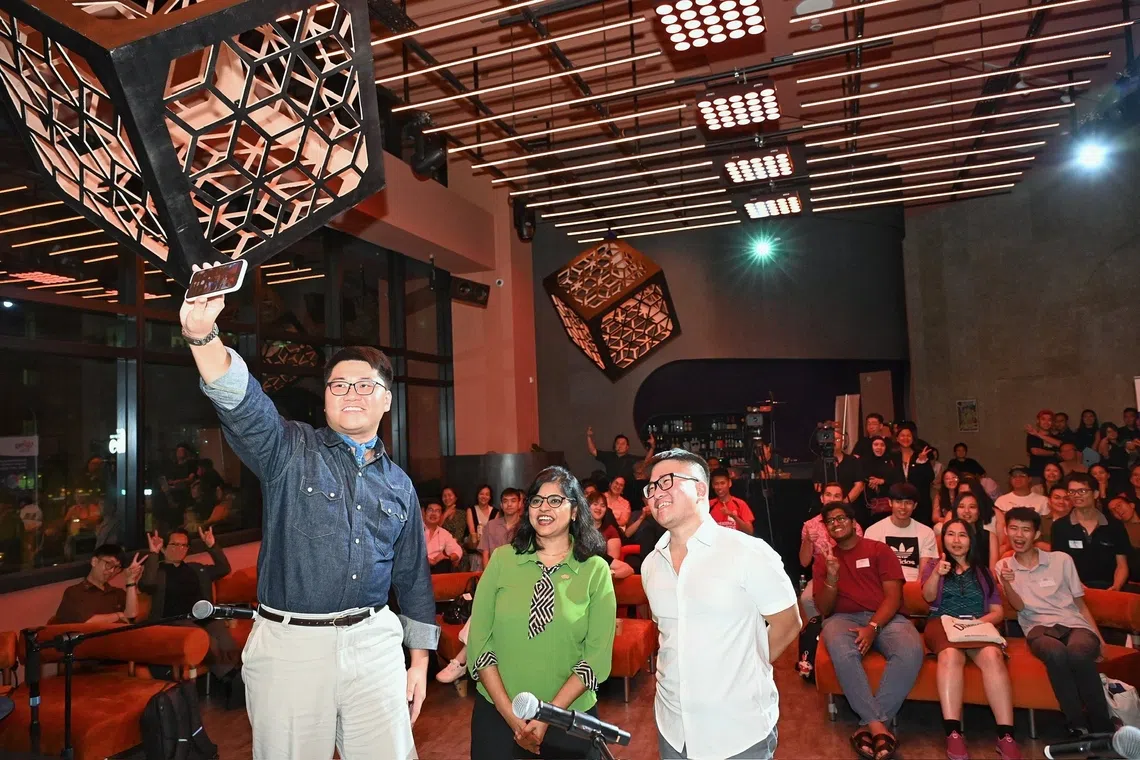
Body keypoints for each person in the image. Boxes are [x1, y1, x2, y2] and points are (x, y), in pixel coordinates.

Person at [181, 273, 436, 760]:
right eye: (339, 385)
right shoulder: (290, 450)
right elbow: (245, 406)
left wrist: (419, 661)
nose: (351, 392)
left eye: (365, 384)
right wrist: (202, 336)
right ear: (325, 398)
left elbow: (413, 578)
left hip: (375, 644)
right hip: (291, 647)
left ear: (386, 399)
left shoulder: (400, 485)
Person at [643, 449, 800, 760]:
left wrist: (743, 671)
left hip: (738, 732)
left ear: (701, 489)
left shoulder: (748, 552)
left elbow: (788, 623)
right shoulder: (651, 564)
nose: (656, 493)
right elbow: (669, 636)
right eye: (651, 487)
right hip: (672, 730)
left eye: (667, 481)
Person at [466, 466, 615, 759]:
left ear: (575, 511)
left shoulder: (595, 570)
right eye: (536, 500)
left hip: (570, 719)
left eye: (556, 500)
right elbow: (479, 642)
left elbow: (596, 657)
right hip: (498, 716)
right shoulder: (502, 560)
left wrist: (547, 716)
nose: (544, 507)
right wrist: (511, 715)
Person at [814, 501, 923, 760]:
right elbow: (825, 608)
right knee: (843, 653)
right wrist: (831, 577)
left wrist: (873, 626)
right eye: (830, 521)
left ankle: (868, 726)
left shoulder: (879, 550)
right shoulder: (824, 560)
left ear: (854, 523)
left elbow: (894, 597)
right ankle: (878, 727)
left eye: (841, 518)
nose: (836, 523)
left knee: (911, 650)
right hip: (842, 619)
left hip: (886, 617)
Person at [998, 507, 1114, 736]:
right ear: (1005, 531)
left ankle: (1103, 728)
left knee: (1078, 652)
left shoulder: (1061, 560)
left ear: (1036, 534)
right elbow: (1019, 607)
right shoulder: (1003, 566)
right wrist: (1007, 582)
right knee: (1056, 652)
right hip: (1038, 628)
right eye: (1014, 529)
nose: (1019, 535)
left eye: (1025, 530)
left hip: (1074, 624)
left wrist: (1100, 639)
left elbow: (1080, 603)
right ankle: (1077, 725)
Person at [921, 518, 1020, 760]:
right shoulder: (934, 565)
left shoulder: (983, 572)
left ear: (971, 541)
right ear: (943, 539)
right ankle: (953, 733)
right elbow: (928, 597)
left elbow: (997, 612)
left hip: (977, 626)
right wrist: (937, 574)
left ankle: (1006, 736)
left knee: (993, 656)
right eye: (950, 534)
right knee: (950, 656)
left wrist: (975, 624)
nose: (956, 540)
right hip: (942, 624)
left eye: (962, 535)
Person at [141, 527, 240, 684]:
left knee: (226, 640)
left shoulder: (196, 569)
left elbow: (224, 569)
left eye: (184, 545)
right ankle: (231, 678)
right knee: (207, 641)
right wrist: (153, 553)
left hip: (202, 616)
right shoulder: (158, 572)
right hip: (174, 620)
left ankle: (235, 675)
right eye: (175, 544)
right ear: (164, 548)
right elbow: (146, 584)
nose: (180, 549)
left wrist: (211, 546)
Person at [1050, 474, 1130, 591]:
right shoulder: (1060, 526)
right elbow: (1059, 564)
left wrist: (1116, 587)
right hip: (1073, 589)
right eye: (1072, 492)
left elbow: (1122, 564)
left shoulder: (1114, 525)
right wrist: (1078, 587)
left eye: (1082, 491)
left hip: (1110, 589)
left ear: (1095, 494)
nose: (1076, 495)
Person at [799, 483, 863, 619]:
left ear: (842, 500)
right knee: (806, 599)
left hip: (850, 573)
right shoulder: (810, 525)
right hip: (822, 575)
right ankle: (817, 627)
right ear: (822, 498)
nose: (832, 499)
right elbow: (804, 562)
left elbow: (860, 554)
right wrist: (808, 541)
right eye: (828, 495)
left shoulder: (852, 525)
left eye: (837, 496)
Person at [864, 483, 938, 583]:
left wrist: (914, 589)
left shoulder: (926, 532)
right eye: (898, 502)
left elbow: (924, 574)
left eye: (908, 503)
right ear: (890, 503)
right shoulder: (873, 531)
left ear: (915, 505)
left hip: (914, 585)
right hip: (885, 584)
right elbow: (871, 568)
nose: (903, 507)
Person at [54, 544, 143, 624]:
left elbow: (131, 616)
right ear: (94, 561)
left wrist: (130, 580)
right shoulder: (74, 592)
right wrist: (118, 615)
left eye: (117, 567)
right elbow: (86, 622)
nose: (112, 571)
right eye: (109, 564)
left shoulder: (116, 593)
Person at [586, 427, 655, 501]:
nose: (620, 446)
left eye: (623, 444)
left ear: (627, 447)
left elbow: (646, 461)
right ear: (614, 445)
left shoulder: (632, 458)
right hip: (611, 490)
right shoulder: (609, 456)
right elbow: (593, 451)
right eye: (618, 443)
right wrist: (589, 437)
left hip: (628, 491)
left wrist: (652, 447)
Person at [894, 424, 935, 525]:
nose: (905, 438)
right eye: (902, 435)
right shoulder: (892, 456)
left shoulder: (920, 455)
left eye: (909, 436)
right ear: (897, 438)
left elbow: (930, 477)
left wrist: (922, 462)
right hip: (899, 501)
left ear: (913, 438)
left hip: (920, 502)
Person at [813, 430, 865, 505]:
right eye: (832, 439)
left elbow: (859, 485)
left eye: (837, 439)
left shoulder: (853, 461)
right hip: (826, 506)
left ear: (842, 442)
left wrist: (843, 503)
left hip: (848, 505)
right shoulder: (820, 462)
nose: (834, 442)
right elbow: (818, 487)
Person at [480, 488, 524, 568]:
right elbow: (485, 554)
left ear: (519, 504)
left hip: (518, 570)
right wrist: (487, 574)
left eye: (513, 501)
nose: (509, 504)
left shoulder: (525, 527)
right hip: (495, 570)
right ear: (501, 505)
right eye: (505, 501)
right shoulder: (491, 525)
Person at [861, 437, 901, 525]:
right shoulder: (863, 461)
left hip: (887, 504)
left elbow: (897, 478)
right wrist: (871, 481)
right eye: (876, 444)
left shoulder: (890, 461)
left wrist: (883, 481)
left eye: (882, 445)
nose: (879, 447)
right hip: (867, 504)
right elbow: (860, 476)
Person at [707, 468, 754, 533]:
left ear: (729, 483)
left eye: (723, 483)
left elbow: (750, 531)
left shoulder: (740, 504)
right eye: (716, 484)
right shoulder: (708, 505)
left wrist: (733, 516)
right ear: (712, 485)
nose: (719, 487)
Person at [466, 485, 500, 571]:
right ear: (477, 495)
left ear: (490, 497)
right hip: (475, 544)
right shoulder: (471, 510)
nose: (484, 496)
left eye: (487, 494)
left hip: (489, 544)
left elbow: (493, 533)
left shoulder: (496, 512)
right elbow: (472, 532)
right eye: (481, 494)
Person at [423, 502, 463, 573]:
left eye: (437, 511)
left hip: (437, 568)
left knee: (445, 563)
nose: (433, 514)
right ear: (424, 513)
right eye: (430, 510)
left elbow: (458, 551)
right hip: (418, 566)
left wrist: (447, 556)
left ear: (441, 516)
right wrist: (426, 560)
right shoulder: (414, 530)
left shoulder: (444, 533)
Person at [1026, 410, 1062, 480]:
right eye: (1043, 419)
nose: (1046, 422)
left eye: (1049, 420)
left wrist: (1037, 434)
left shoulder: (1057, 437)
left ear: (1052, 422)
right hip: (1037, 473)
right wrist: (1054, 453)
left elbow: (1059, 444)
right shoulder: (1032, 436)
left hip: (1054, 474)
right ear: (1038, 421)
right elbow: (1035, 451)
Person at [587, 492, 622, 560]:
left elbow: (613, 561)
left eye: (603, 506)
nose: (599, 508)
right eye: (595, 504)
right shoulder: (579, 528)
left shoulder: (611, 531)